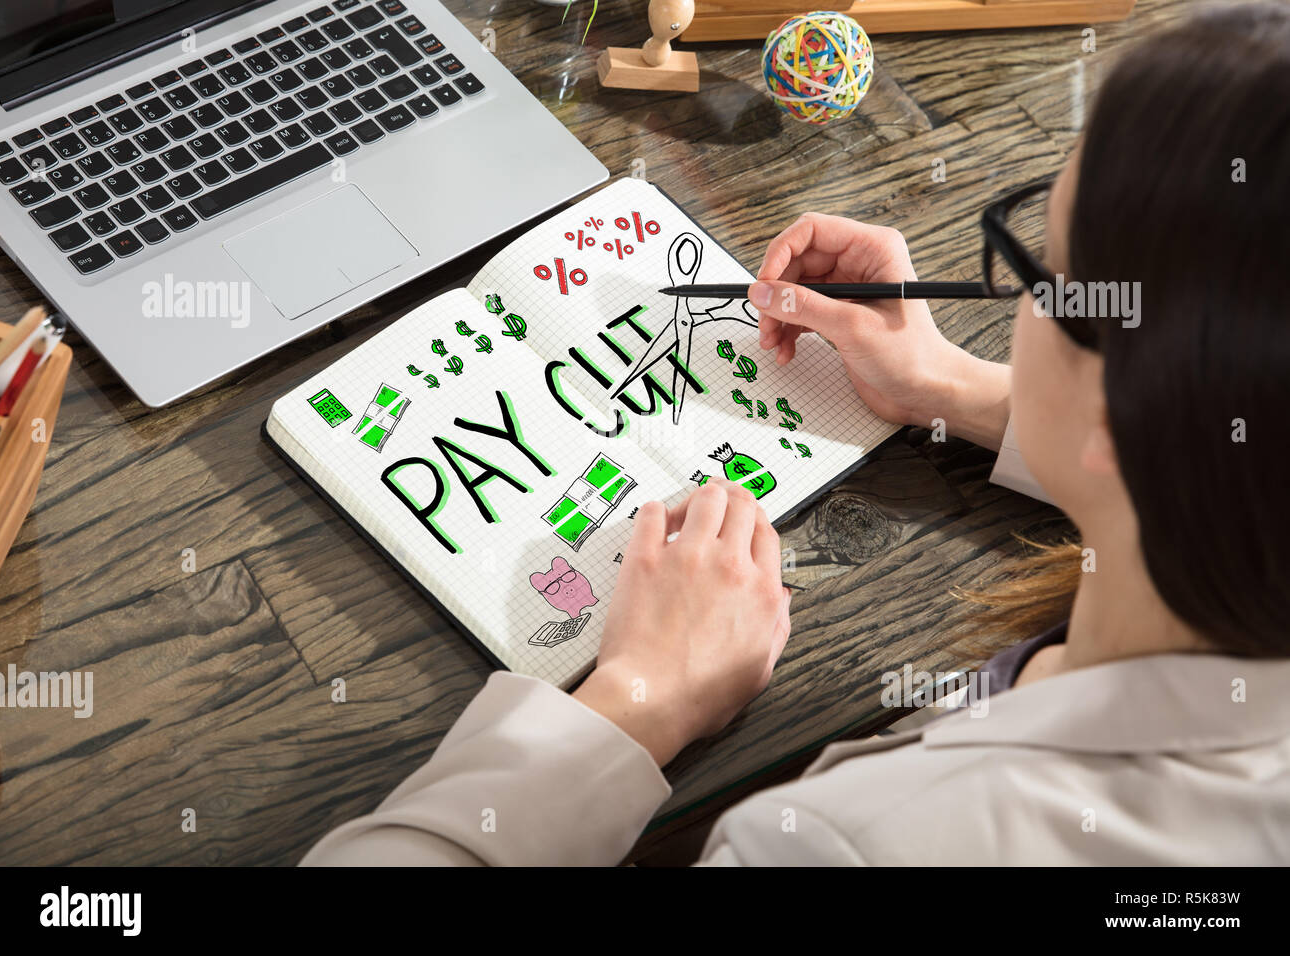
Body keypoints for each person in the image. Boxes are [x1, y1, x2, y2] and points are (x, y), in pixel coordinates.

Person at [303, 3, 1290, 866]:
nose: (1015, 296)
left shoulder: (835, 845)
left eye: (1036, 267)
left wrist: (639, 699)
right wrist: (953, 387)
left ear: (1133, 410)